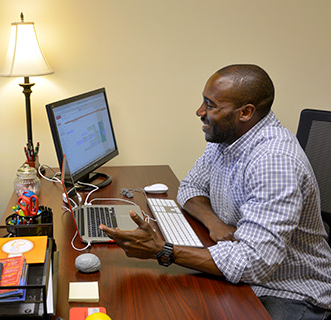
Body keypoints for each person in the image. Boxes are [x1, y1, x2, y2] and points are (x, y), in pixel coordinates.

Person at [100, 64, 331, 320]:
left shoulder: (274, 163)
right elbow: (190, 187)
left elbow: (253, 263)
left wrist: (163, 250)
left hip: (291, 292)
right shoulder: (228, 138)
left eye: (210, 105)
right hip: (247, 271)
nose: (199, 112)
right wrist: (214, 223)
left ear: (245, 112)